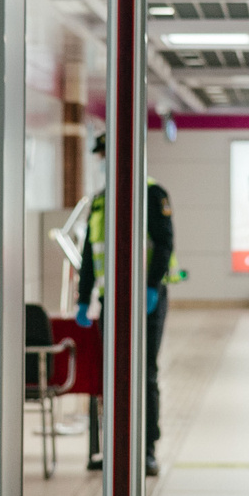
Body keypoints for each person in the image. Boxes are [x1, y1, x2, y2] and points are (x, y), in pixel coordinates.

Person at [77, 129, 175, 476]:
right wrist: (83, 298)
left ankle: (146, 449)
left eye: (105, 156)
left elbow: (164, 244)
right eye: (101, 157)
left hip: (147, 300)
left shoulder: (152, 194)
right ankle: (115, 447)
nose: (102, 163)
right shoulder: (101, 200)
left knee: (144, 372)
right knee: (113, 375)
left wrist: (151, 287)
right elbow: (90, 253)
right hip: (110, 301)